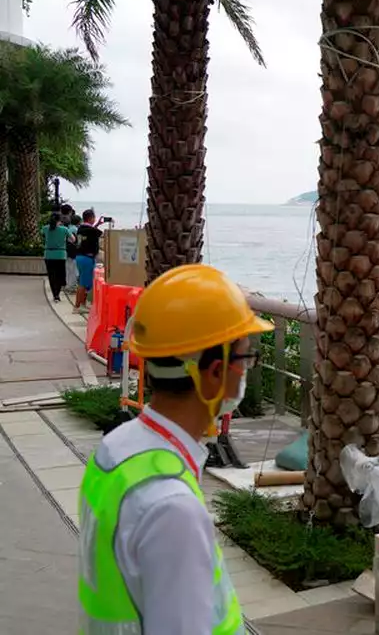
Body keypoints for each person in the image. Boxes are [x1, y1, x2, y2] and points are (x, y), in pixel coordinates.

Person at [77, 264, 272, 635]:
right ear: (215, 372)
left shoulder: (115, 449)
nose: (247, 371)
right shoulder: (171, 508)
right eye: (246, 359)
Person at [72, 208, 107, 314]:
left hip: (80, 257)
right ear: (91, 218)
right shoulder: (91, 231)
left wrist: (97, 224)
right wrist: (98, 225)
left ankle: (82, 304)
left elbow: (91, 231)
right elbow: (98, 233)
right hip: (87, 258)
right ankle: (78, 306)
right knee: (83, 283)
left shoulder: (81, 229)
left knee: (83, 281)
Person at [42, 212, 75, 302]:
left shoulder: (45, 228)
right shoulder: (64, 229)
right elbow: (73, 239)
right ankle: (57, 293)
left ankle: (55, 295)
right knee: (60, 275)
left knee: (52, 275)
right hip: (60, 255)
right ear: (60, 220)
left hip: (48, 254)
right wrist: (65, 239)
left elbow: (44, 236)